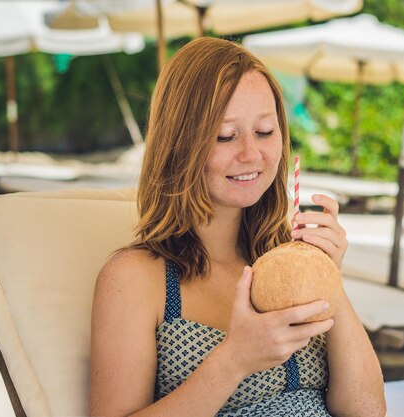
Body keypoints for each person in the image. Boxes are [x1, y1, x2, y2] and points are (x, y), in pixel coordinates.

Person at [88, 37, 386, 417]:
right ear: (180, 145)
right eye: (225, 136)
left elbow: (367, 411)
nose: (251, 154)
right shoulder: (134, 278)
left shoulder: (286, 262)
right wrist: (233, 361)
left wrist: (330, 279)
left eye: (265, 132)